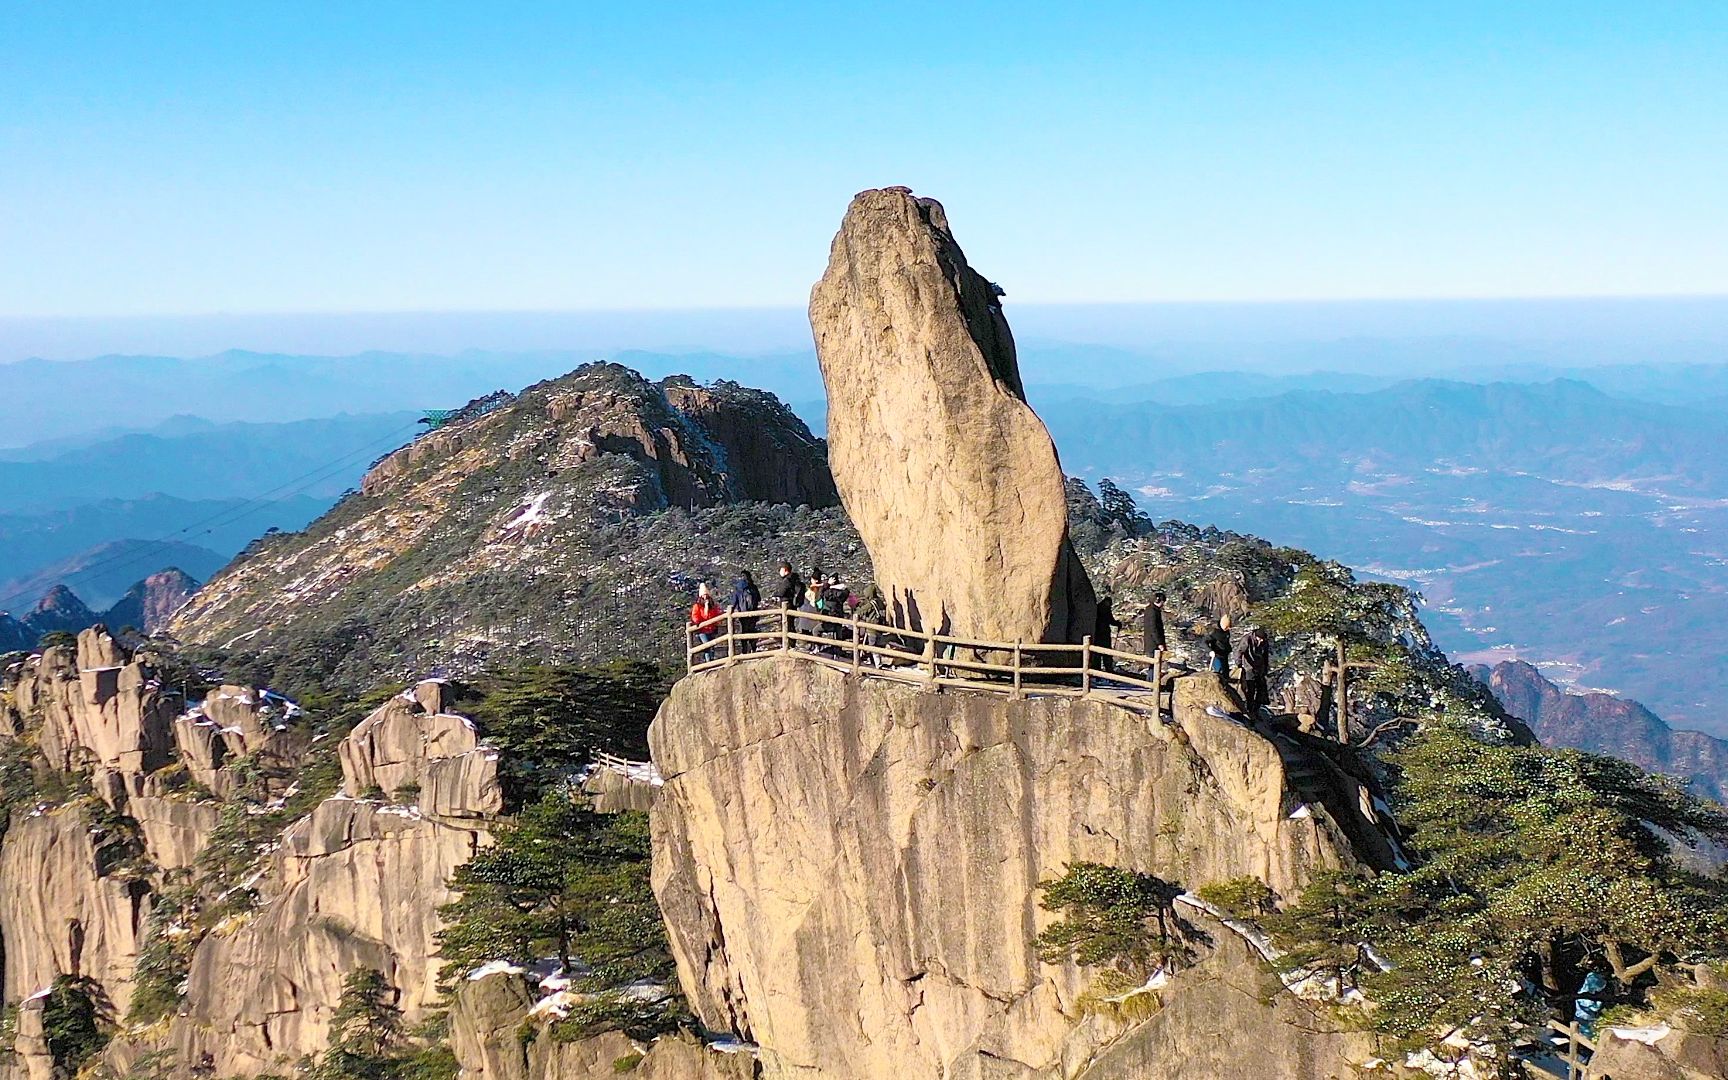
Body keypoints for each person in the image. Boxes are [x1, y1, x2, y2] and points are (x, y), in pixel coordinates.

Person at [1235, 625, 1272, 717]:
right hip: (1249, 667)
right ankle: (1249, 709)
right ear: (1256, 636)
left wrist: (1266, 668)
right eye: (1260, 639)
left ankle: (1256, 709)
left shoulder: (1264, 642)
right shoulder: (1247, 639)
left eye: (1263, 639)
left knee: (1261, 689)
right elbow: (1239, 651)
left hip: (1260, 667)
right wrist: (1239, 664)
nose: (1262, 641)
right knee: (1250, 689)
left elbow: (1265, 655)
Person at [688, 583, 723, 663]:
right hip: (703, 630)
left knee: (712, 645)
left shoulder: (712, 605)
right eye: (703, 595)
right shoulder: (697, 606)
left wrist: (717, 621)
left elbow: (717, 613)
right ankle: (708, 661)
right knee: (706, 645)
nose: (705, 597)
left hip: (712, 628)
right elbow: (695, 615)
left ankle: (712, 660)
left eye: (706, 595)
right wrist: (697, 621)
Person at [730, 570, 762, 654]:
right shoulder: (753, 587)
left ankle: (744, 651)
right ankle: (753, 648)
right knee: (752, 630)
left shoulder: (738, 588)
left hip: (743, 614)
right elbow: (759, 598)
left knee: (743, 632)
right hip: (753, 613)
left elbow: (734, 602)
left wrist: (731, 611)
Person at [1093, 593, 1122, 673]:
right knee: (1104, 654)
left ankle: (1099, 670)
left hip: (1100, 634)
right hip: (1102, 634)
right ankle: (1107, 670)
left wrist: (1117, 623)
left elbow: (1111, 620)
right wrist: (1117, 624)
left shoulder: (1100, 609)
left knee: (1099, 654)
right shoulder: (1103, 610)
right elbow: (1110, 621)